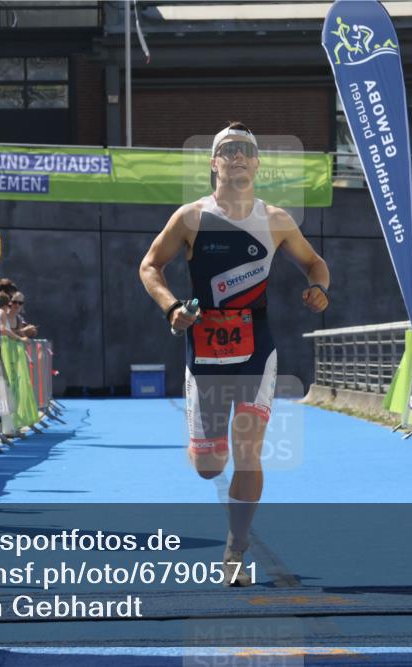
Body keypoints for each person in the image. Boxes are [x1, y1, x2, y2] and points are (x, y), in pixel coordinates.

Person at [139, 122, 330, 586]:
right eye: (228, 150)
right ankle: (205, 446)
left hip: (255, 350)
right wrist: (171, 307)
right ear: (214, 162)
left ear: (258, 163)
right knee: (209, 467)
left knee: (249, 453)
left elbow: (314, 263)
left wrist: (319, 287)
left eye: (246, 149)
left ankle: (235, 550)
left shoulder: (277, 220)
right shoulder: (191, 217)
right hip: (204, 351)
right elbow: (150, 265)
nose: (238, 156)